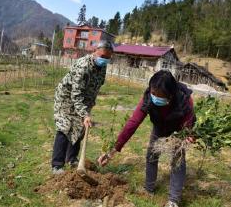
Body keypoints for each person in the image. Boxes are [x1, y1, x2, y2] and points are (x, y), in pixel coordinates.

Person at [97, 70, 196, 207]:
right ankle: (149, 189)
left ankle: (173, 200)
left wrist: (187, 136)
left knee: (178, 160)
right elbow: (133, 124)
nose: (154, 96)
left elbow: (189, 125)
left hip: (178, 130)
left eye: (158, 95)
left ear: (170, 95)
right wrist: (113, 150)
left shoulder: (185, 100)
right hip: (160, 125)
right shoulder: (148, 98)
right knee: (151, 155)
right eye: (152, 92)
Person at [51, 40, 114, 174]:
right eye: (103, 56)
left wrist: (87, 110)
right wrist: (85, 114)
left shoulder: (102, 67)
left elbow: (96, 87)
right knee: (65, 127)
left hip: (84, 101)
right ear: (95, 52)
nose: (105, 60)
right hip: (66, 98)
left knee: (80, 128)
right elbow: (75, 94)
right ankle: (57, 165)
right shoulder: (83, 66)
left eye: (108, 58)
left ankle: (72, 159)